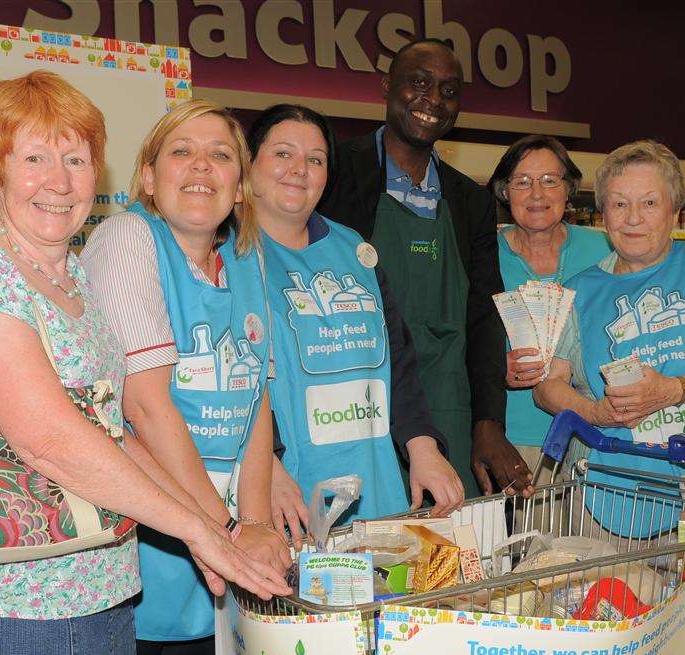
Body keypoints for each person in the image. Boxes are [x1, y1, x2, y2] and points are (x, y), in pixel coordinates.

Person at [0, 71, 289, 655]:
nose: (58, 181)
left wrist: (217, 531)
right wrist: (206, 529)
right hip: (13, 607)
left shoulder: (75, 279)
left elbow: (114, 435)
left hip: (106, 596)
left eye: (75, 161)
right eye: (34, 158)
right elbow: (52, 442)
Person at [82, 100, 290, 655]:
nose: (202, 166)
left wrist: (256, 522)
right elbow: (146, 408)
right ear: (148, 177)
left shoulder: (247, 258)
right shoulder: (129, 238)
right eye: (182, 152)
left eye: (220, 155)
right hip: (153, 540)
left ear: (240, 186)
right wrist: (228, 532)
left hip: (227, 536)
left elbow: (256, 404)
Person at [319, 38, 532, 497]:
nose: (432, 100)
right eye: (418, 82)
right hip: (356, 407)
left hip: (448, 407)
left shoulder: (469, 201)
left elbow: (483, 315)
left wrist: (488, 423)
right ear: (386, 86)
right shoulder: (334, 175)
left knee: (458, 558)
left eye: (449, 91)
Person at [246, 104, 464, 548]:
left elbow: (397, 357)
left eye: (316, 159)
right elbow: (233, 383)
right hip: (287, 493)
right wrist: (266, 467)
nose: (299, 170)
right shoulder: (230, 256)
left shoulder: (354, 251)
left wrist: (423, 446)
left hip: (375, 484)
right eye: (283, 154)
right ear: (249, 165)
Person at [534, 140, 685, 536]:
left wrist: (673, 389)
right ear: (603, 214)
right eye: (619, 204)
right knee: (611, 595)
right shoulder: (579, 290)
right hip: (605, 490)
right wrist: (592, 412)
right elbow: (548, 386)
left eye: (649, 203)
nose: (633, 219)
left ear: (675, 211)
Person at [486, 135, 611, 482]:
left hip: (596, 437)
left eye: (549, 181)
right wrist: (495, 367)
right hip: (515, 441)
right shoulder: (481, 255)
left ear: (568, 190)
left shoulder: (603, 248)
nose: (536, 194)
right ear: (504, 191)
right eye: (522, 182)